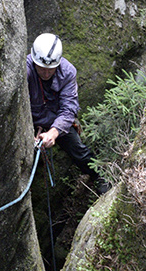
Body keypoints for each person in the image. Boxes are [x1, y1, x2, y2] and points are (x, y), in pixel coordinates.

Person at [26, 33, 109, 194]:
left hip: (56, 121)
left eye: (50, 69)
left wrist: (54, 132)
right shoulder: (25, 69)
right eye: (41, 68)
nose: (46, 73)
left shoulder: (67, 72)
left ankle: (100, 176)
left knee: (78, 149)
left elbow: (69, 108)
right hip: (31, 118)